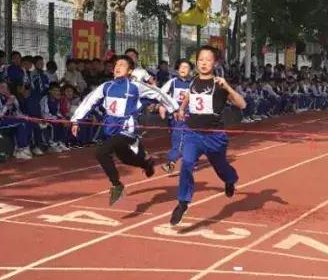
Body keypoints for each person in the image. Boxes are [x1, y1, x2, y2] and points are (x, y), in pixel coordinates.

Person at [71, 55, 179, 205]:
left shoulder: (135, 86)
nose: (118, 67)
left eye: (122, 65)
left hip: (127, 128)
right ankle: (146, 164)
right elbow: (89, 101)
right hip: (110, 128)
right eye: (116, 64)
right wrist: (76, 120)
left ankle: (117, 185)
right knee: (125, 158)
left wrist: (174, 108)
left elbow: (158, 93)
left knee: (101, 152)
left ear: (130, 71)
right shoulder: (106, 86)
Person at [169, 45, 247, 226]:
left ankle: (230, 179)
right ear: (197, 63)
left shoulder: (219, 84)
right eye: (201, 59)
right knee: (187, 163)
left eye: (208, 60)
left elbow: (242, 104)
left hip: (215, 137)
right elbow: (188, 96)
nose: (204, 63)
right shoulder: (193, 81)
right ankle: (183, 202)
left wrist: (227, 86)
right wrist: (181, 109)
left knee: (221, 166)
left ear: (215, 63)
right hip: (192, 134)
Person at [160, 60, 193, 175]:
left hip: (186, 116)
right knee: (177, 139)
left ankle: (171, 162)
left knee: (179, 138)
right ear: (177, 70)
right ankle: (190, 158)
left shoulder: (193, 83)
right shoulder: (172, 82)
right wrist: (163, 106)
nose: (183, 69)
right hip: (173, 116)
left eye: (187, 67)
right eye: (181, 67)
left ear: (190, 70)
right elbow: (161, 94)